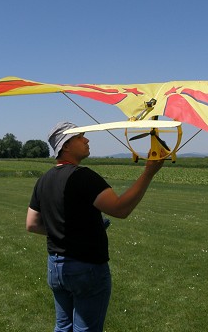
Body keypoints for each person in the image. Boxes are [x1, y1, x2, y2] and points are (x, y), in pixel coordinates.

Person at [26, 121, 165, 332]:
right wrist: (149, 173)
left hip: (55, 268)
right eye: (80, 137)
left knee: (63, 327)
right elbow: (120, 209)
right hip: (86, 267)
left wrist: (71, 229)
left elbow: (32, 224)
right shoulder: (84, 176)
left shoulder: (43, 180)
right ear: (66, 146)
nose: (87, 139)